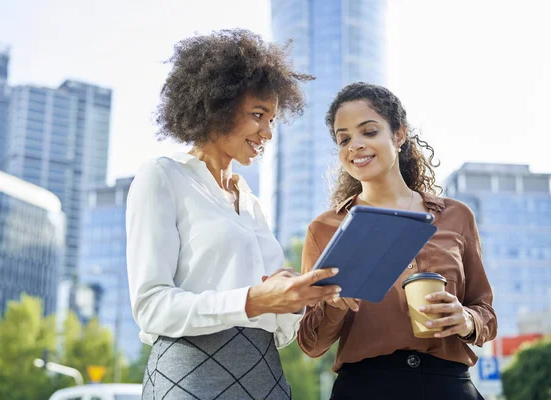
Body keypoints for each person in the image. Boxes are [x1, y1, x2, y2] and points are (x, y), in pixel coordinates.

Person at [126, 29, 341, 400]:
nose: (268, 133)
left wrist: (296, 299)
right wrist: (253, 299)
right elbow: (151, 307)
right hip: (190, 379)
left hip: (265, 378)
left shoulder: (250, 201)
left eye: (272, 119)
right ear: (216, 105)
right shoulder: (163, 176)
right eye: (258, 115)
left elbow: (279, 331)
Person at [297, 82, 497, 400]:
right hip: (364, 389)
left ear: (399, 135)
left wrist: (467, 320)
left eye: (369, 131)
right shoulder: (324, 229)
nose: (355, 145)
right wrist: (333, 304)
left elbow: (486, 311)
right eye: (344, 138)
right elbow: (312, 344)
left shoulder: (456, 216)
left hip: (448, 386)